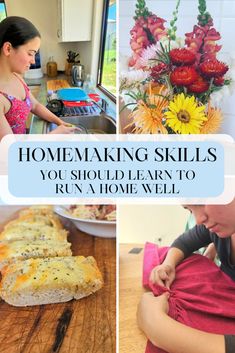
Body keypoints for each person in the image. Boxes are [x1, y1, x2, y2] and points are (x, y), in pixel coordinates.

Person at [137, 200, 235, 353]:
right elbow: (185, 242)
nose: (198, 219)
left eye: (202, 201)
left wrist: (157, 327)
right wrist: (168, 264)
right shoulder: (220, 229)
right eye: (190, 210)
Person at [0, 16, 77, 139]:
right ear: (8, 48)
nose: (32, 60)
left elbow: (34, 105)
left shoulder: (17, 77)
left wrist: (59, 122)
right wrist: (55, 134)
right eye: (30, 53)